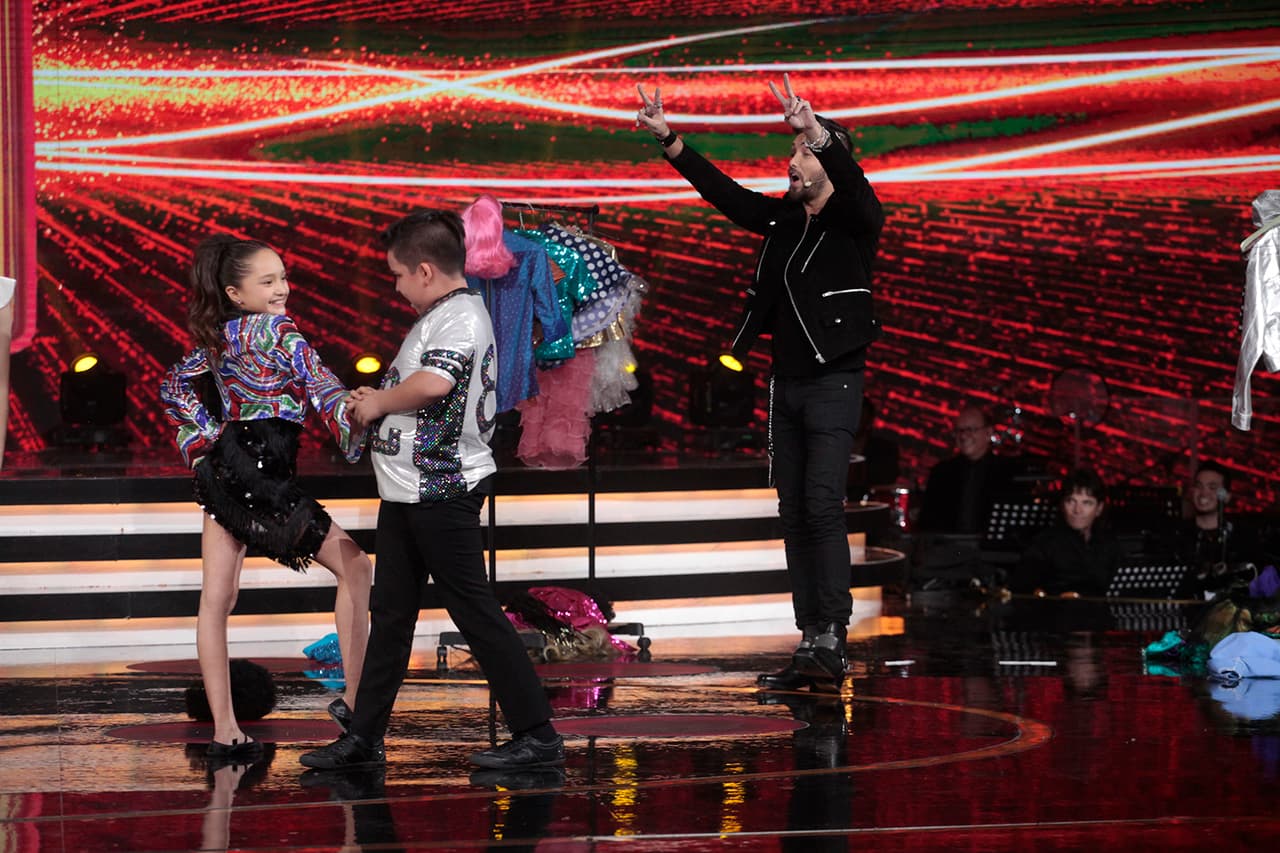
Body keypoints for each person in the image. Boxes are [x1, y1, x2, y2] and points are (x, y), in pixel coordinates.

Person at [637, 75, 884, 692]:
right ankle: (810, 640)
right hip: (788, 385)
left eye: (802, 154)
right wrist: (670, 140)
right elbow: (726, 194)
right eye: (796, 152)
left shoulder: (853, 220)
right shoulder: (783, 219)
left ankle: (833, 636)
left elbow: (854, 188)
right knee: (794, 513)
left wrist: (816, 131)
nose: (792, 161)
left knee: (824, 507)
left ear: (829, 162)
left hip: (834, 382)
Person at [300, 211, 563, 771]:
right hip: (410, 490)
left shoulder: (459, 318)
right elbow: (420, 383)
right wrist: (383, 393)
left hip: (441, 488)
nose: (395, 287)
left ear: (424, 270)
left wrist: (375, 403)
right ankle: (364, 737)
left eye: (397, 275)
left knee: (474, 611)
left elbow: (436, 382)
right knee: (392, 613)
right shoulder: (444, 315)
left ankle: (538, 734)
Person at [160, 236, 373, 760]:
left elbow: (172, 389)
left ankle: (226, 730)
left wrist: (208, 441)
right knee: (357, 568)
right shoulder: (279, 329)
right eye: (269, 281)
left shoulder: (219, 337)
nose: (283, 289)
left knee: (216, 601)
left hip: (227, 472)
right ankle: (354, 698)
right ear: (236, 292)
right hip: (263, 479)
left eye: (283, 277)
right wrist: (360, 414)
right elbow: (321, 384)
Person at [1013, 468, 1121, 598]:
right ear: (1063, 505)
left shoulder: (1110, 544)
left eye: (1087, 503)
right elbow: (1022, 589)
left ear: (1099, 509)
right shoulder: (1044, 544)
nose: (1077, 510)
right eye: (1071, 501)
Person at [918, 404, 1020, 535]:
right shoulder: (942, 472)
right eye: (959, 430)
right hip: (948, 550)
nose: (964, 435)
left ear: (988, 433)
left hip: (993, 552)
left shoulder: (1007, 471)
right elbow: (927, 523)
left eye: (971, 429)